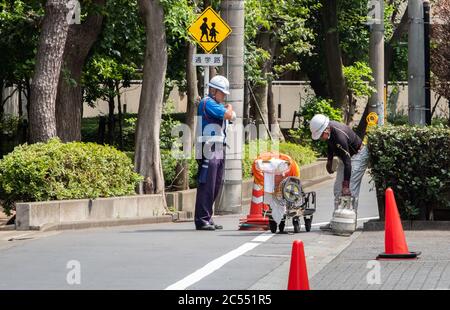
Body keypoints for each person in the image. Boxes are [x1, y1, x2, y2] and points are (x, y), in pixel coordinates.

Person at [309, 114, 369, 231]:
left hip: (358, 155)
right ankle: (336, 220)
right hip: (346, 156)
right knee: (337, 189)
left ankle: (350, 223)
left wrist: (346, 185)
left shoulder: (339, 136)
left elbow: (348, 163)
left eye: (321, 135)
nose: (321, 138)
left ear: (326, 129)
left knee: (350, 189)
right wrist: (329, 161)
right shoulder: (329, 131)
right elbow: (330, 145)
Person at [194, 75, 236, 231]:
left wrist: (228, 110)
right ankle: (202, 219)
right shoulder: (208, 103)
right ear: (212, 90)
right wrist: (229, 108)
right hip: (209, 147)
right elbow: (230, 115)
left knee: (216, 183)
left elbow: (232, 117)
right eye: (222, 93)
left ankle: (208, 217)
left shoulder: (215, 104)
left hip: (218, 147)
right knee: (207, 184)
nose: (223, 97)